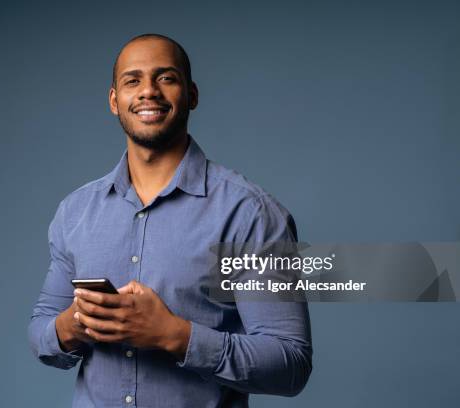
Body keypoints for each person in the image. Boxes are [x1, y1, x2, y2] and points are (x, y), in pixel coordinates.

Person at [28, 33, 312, 407]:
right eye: (133, 80)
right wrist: (73, 325)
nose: (149, 91)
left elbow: (290, 363)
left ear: (191, 95)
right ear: (115, 101)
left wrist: (175, 336)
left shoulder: (249, 214)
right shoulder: (76, 212)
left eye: (166, 78)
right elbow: (42, 333)